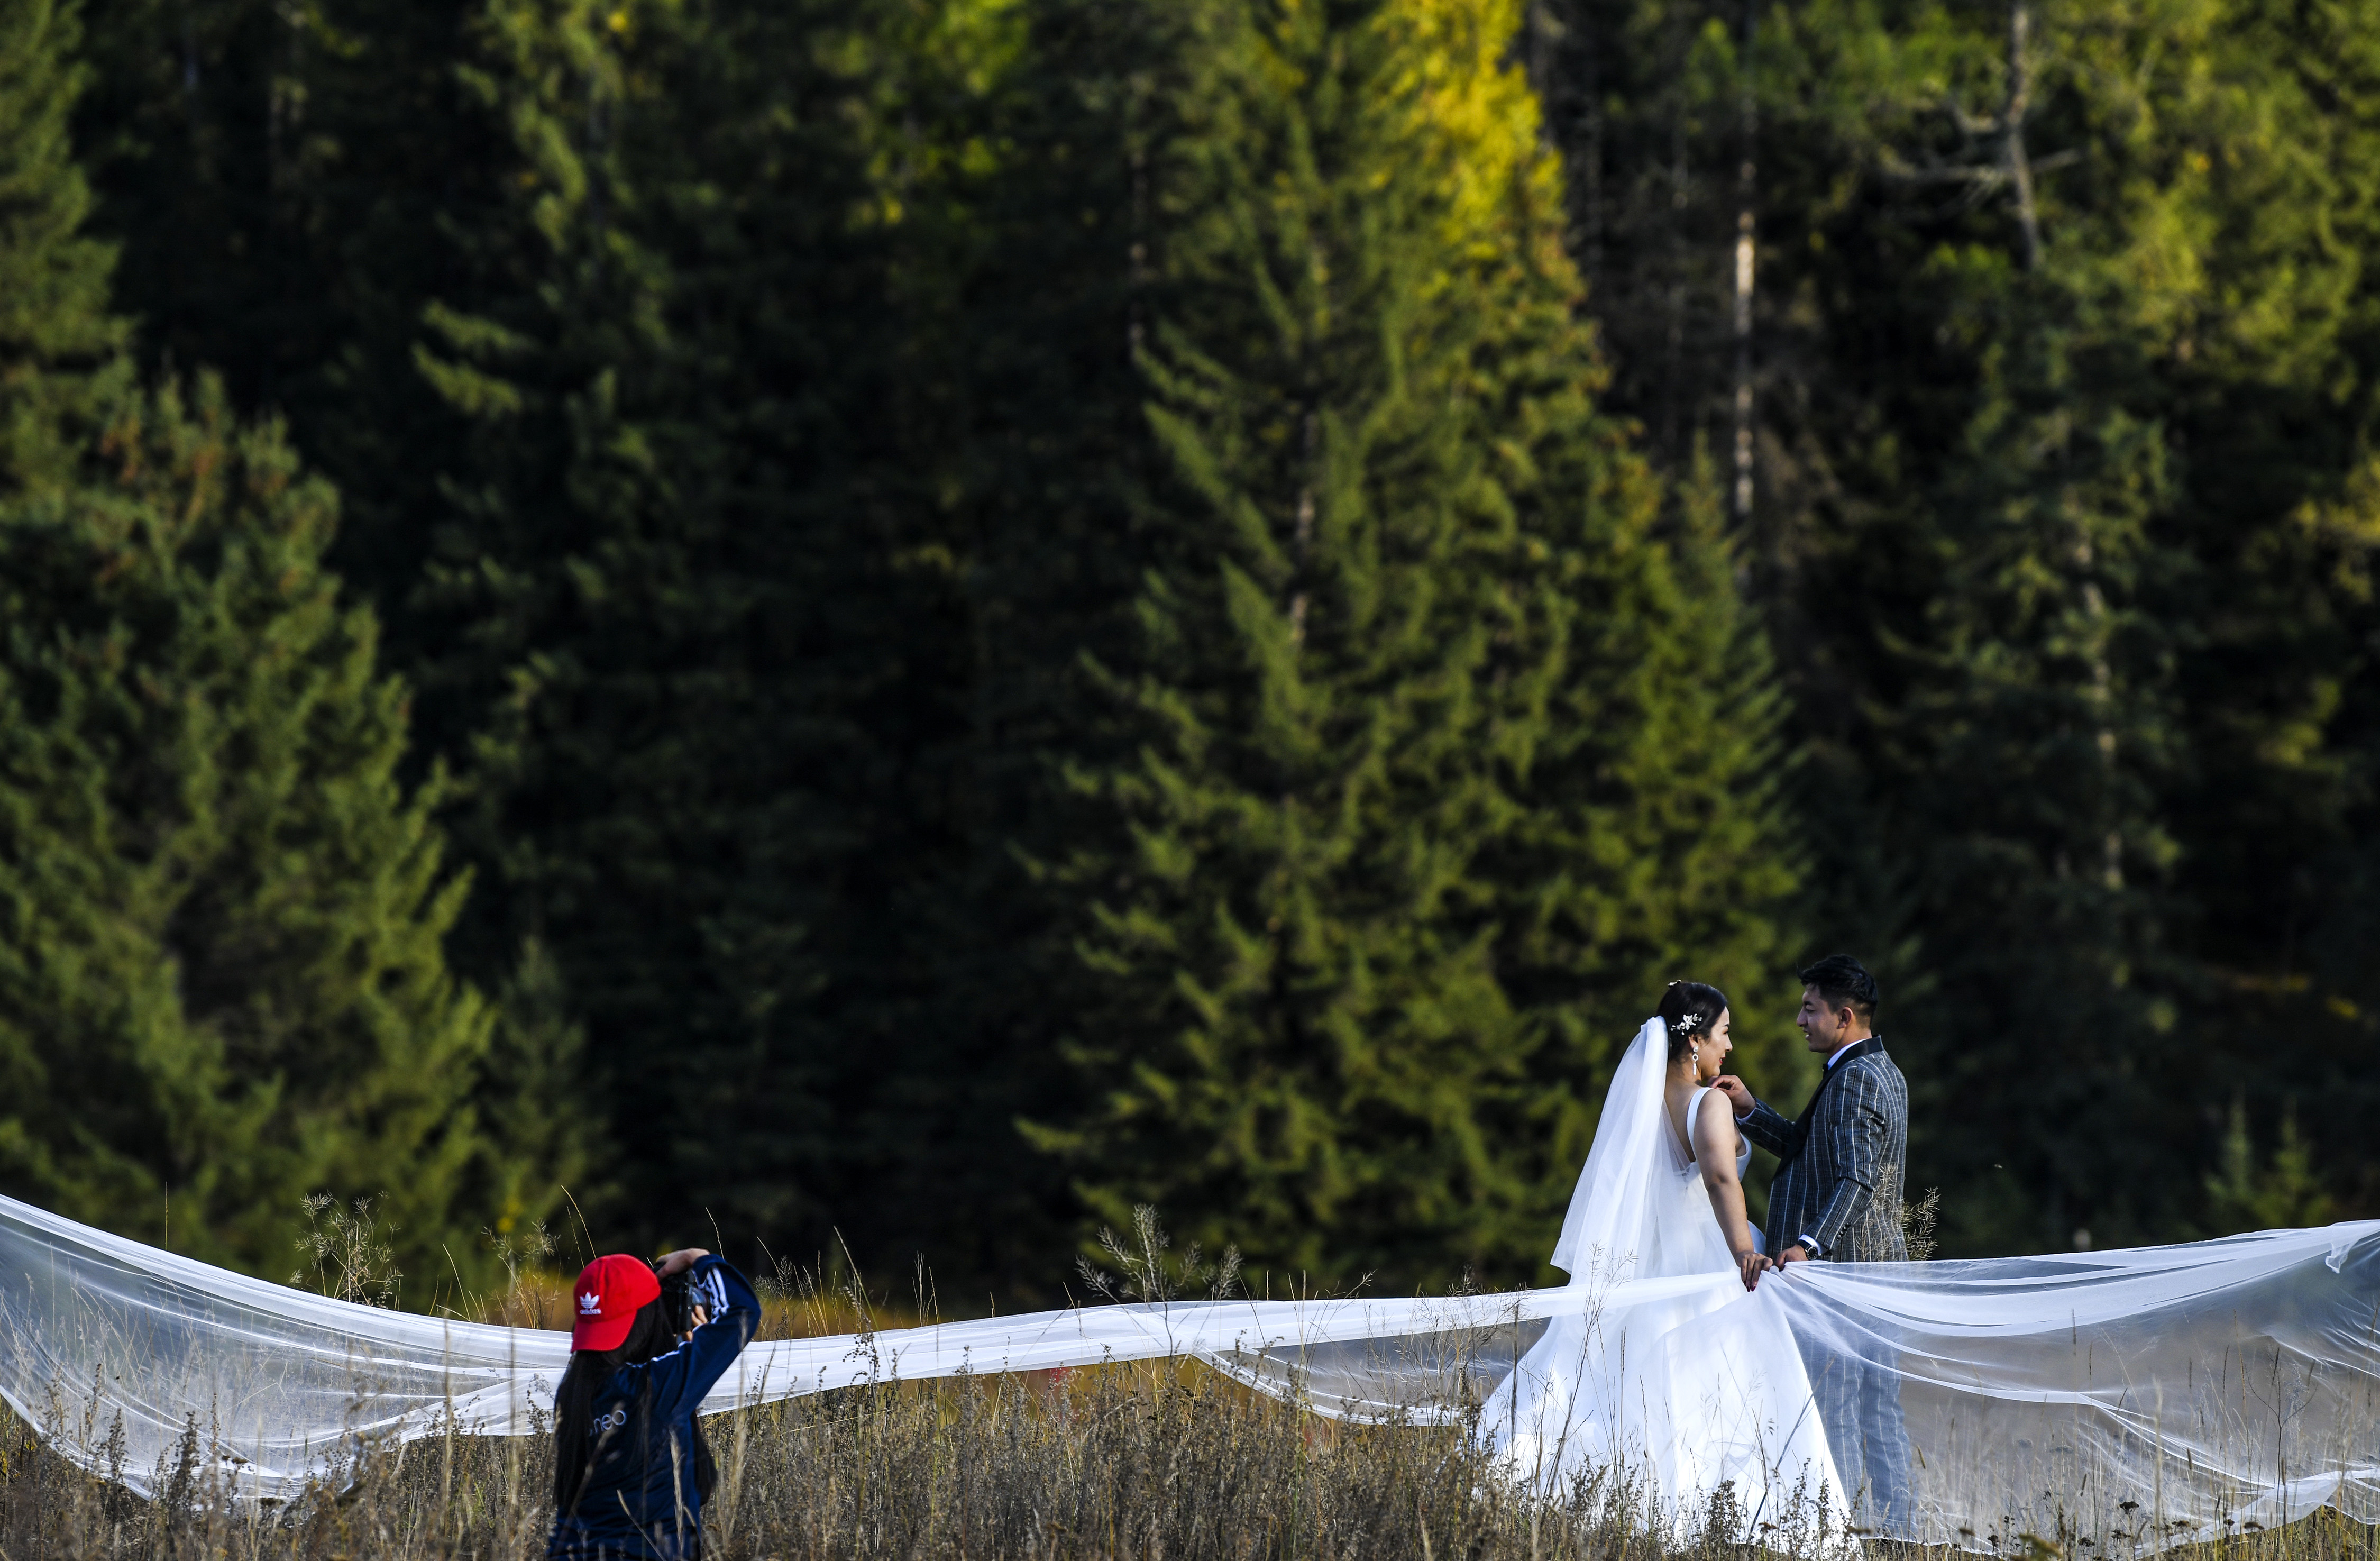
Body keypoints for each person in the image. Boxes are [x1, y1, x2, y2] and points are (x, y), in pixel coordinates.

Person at [1485, 982, 1847, 1529]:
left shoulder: (1642, 1103)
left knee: (1631, 1381)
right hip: (1705, 1258)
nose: (1729, 1045)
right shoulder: (1709, 1103)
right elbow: (1721, 1178)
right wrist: (1744, 1252)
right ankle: (1718, 1515)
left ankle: (1631, 1506)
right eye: (1724, 1033)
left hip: (1648, 1262)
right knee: (1722, 1388)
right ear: (1695, 1040)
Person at [1713, 954, 1912, 1531]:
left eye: (1810, 1009)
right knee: (1877, 1412)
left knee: (1839, 1411)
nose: (1800, 1020)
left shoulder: (1855, 1078)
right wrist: (1752, 1111)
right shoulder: (1876, 1068)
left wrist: (1808, 1244)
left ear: (1844, 1017)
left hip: (1847, 1278)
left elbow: (1857, 1178)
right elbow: (1812, 1149)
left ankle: (1848, 1535)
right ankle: (1895, 1533)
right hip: (1873, 1275)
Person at [548, 1246, 760, 1561]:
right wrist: (697, 1257)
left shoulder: (572, 1393)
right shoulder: (658, 1387)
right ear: (647, 1319)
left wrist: (682, 1355)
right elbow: (742, 1311)